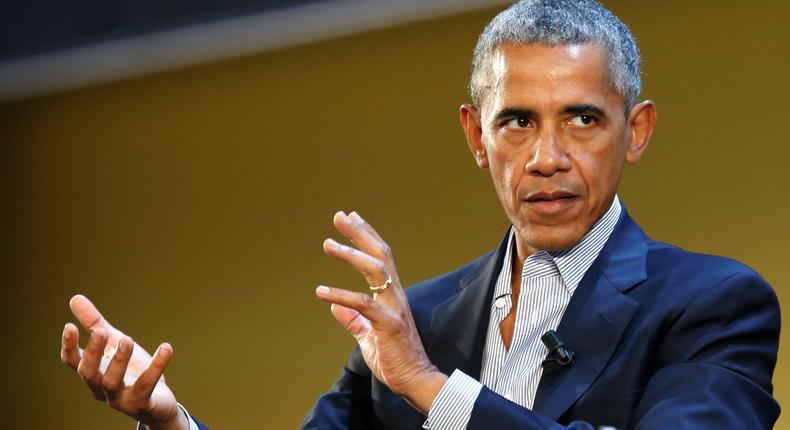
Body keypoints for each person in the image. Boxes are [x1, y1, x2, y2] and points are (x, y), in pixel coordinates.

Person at [60, 1, 781, 429]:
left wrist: (431, 388)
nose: (547, 157)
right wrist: (168, 418)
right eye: (518, 122)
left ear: (638, 130)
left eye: (584, 119)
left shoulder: (713, 303)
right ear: (476, 136)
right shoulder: (421, 319)